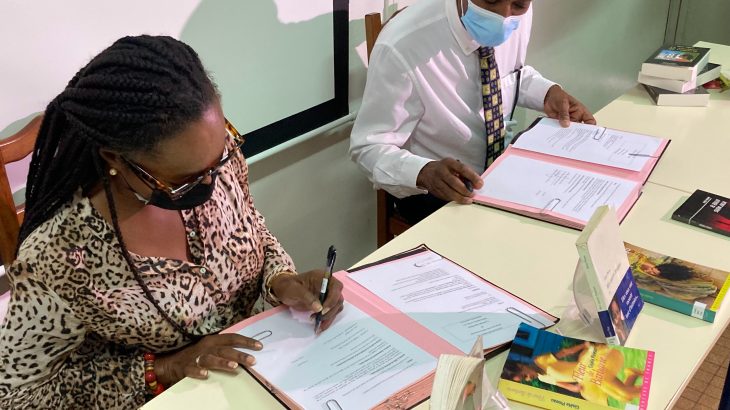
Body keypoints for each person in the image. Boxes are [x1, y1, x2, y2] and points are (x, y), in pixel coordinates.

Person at [0, 35, 344, 409]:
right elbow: (17, 394)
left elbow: (251, 228)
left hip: (267, 373)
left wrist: (282, 280)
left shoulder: (216, 159)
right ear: (115, 159)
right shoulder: (60, 255)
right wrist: (163, 368)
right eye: (184, 181)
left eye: (219, 158)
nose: (213, 184)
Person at [350, 0, 596, 224]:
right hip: (436, 191)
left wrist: (547, 92)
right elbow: (368, 147)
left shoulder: (518, 17)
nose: (503, 17)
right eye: (491, 1)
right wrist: (423, 173)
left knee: (576, 214)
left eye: (519, 5)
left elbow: (508, 75)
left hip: (501, 171)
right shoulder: (403, 45)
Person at [503, 341, 644, 404]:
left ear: (521, 365)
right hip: (587, 379)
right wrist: (575, 388)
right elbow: (563, 384)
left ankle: (643, 385)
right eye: (524, 380)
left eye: (524, 375)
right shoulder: (542, 378)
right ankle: (631, 374)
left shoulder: (540, 360)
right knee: (623, 397)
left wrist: (585, 345)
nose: (528, 378)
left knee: (624, 394)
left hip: (591, 366)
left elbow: (565, 352)